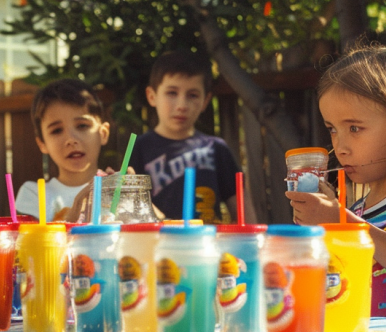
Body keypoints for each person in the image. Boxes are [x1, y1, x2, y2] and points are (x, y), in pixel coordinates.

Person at [286, 44, 386, 317]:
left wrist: (343, 223)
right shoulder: (356, 211)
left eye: (355, 128)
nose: (340, 147)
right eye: (333, 129)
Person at [129, 50, 252, 224]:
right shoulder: (139, 148)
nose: (182, 105)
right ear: (152, 96)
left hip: (208, 246)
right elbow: (130, 210)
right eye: (172, 93)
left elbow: (243, 212)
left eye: (192, 95)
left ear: (205, 101)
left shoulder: (216, 149)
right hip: (158, 247)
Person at [16, 78, 111, 222]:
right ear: (42, 144)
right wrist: (72, 221)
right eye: (57, 130)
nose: (71, 139)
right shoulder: (34, 194)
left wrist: (138, 198)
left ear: (103, 133)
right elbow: (29, 243)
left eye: (82, 126)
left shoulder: (117, 192)